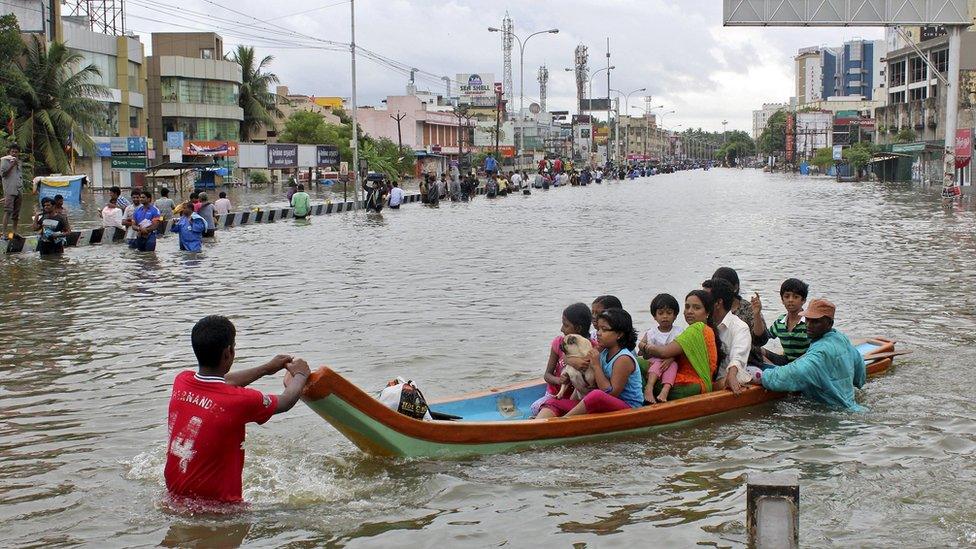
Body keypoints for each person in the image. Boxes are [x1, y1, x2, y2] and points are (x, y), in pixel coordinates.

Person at [164, 315, 311, 504]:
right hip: (220, 512)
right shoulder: (239, 401)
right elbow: (285, 401)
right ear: (228, 352)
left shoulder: (182, 381)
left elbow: (223, 383)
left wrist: (267, 368)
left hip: (173, 499)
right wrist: (300, 374)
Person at [761, 299, 866, 411]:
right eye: (807, 320)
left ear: (829, 324)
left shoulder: (819, 353)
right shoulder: (841, 338)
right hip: (851, 404)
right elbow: (860, 376)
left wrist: (761, 376)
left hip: (834, 412)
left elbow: (788, 376)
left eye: (816, 321)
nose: (808, 325)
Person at [537, 308, 644, 418]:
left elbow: (610, 393)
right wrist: (571, 364)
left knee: (595, 395)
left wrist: (597, 366)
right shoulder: (602, 350)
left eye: (604, 330)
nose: (598, 333)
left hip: (627, 407)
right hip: (602, 403)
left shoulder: (623, 359)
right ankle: (539, 424)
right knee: (552, 402)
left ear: (619, 334)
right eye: (598, 329)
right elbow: (579, 362)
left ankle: (563, 422)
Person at [642, 290, 724, 399]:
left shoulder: (696, 329)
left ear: (708, 312)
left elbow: (664, 352)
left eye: (696, 308)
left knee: (637, 365)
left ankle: (643, 400)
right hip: (698, 384)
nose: (689, 311)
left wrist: (644, 346)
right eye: (687, 307)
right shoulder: (705, 329)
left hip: (690, 386)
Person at [530, 302, 594, 416]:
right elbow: (547, 375)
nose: (561, 329)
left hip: (579, 401)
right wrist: (559, 380)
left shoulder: (592, 349)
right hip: (556, 397)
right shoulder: (559, 343)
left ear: (578, 328)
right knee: (537, 409)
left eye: (565, 325)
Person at [703, 278, 756, 394]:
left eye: (705, 298)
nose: (701, 302)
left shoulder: (740, 327)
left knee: (728, 380)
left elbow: (738, 357)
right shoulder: (701, 324)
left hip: (723, 381)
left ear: (718, 303)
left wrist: (731, 375)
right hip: (703, 380)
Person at [711, 266, 769, 364]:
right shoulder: (712, 308)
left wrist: (757, 315)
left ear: (735, 287)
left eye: (724, 285)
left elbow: (760, 340)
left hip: (749, 359)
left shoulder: (748, 308)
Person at [637, 293, 683, 403]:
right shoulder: (651, 332)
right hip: (654, 360)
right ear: (655, 316)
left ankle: (665, 391)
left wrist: (671, 358)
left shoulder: (679, 332)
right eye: (661, 313)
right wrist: (646, 347)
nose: (665, 316)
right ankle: (649, 387)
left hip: (670, 360)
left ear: (675, 315)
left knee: (673, 365)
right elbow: (640, 344)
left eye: (669, 313)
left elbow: (682, 350)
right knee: (658, 363)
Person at [757, 278, 810, 365]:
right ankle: (774, 370)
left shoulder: (809, 322)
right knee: (754, 349)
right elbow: (763, 337)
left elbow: (817, 347)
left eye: (796, 297)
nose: (790, 300)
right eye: (787, 296)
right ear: (782, 300)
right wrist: (757, 313)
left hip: (805, 363)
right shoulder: (780, 322)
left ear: (803, 300)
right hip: (785, 361)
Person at [2, 144, 23, 238]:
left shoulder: (19, 162)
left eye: (16, 152)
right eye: (12, 151)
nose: (14, 153)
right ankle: (4, 233)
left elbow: (19, 176)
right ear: (9, 152)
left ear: (18, 153)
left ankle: (14, 232)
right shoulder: (4, 161)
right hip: (9, 190)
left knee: (16, 214)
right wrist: (12, 165)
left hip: (19, 190)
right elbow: (3, 174)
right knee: (7, 211)